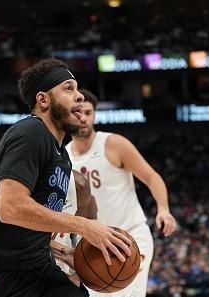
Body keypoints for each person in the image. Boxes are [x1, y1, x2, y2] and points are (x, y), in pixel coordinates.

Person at [0, 59, 132, 297]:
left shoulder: (62, 157)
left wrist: (65, 254)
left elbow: (32, 225)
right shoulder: (31, 133)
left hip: (37, 269)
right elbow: (10, 208)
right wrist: (85, 226)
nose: (79, 96)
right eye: (68, 88)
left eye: (78, 89)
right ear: (43, 99)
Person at [64, 89, 177, 297]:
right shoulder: (64, 157)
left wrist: (163, 209)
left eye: (89, 113)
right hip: (94, 247)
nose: (84, 118)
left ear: (94, 115)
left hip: (130, 237)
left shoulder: (113, 144)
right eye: (79, 112)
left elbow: (152, 177)